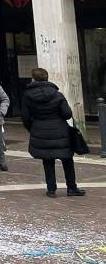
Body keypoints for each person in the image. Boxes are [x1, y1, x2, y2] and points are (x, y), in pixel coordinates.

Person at [21, 68, 85, 198]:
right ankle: (72, 188)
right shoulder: (57, 94)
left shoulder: (27, 96)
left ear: (33, 79)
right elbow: (67, 114)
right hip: (60, 129)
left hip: (40, 129)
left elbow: (25, 117)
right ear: (47, 78)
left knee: (47, 161)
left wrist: (33, 128)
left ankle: (51, 189)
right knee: (67, 160)